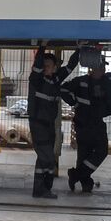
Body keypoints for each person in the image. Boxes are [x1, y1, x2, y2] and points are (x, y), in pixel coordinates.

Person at [62, 48, 111, 193]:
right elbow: (63, 89)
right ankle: (85, 182)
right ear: (92, 68)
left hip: (97, 124)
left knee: (102, 151)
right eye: (100, 67)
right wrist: (74, 102)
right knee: (83, 155)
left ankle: (76, 175)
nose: (102, 69)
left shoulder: (109, 79)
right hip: (83, 124)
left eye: (103, 67)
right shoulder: (81, 81)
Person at [27, 46, 78, 199]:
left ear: (55, 67)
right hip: (38, 124)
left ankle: (42, 189)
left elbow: (70, 66)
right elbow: (37, 66)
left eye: (48, 66)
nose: (45, 68)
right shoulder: (37, 80)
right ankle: (41, 189)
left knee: (45, 158)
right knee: (48, 158)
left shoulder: (56, 79)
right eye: (43, 66)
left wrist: (79, 50)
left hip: (49, 125)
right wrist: (42, 47)